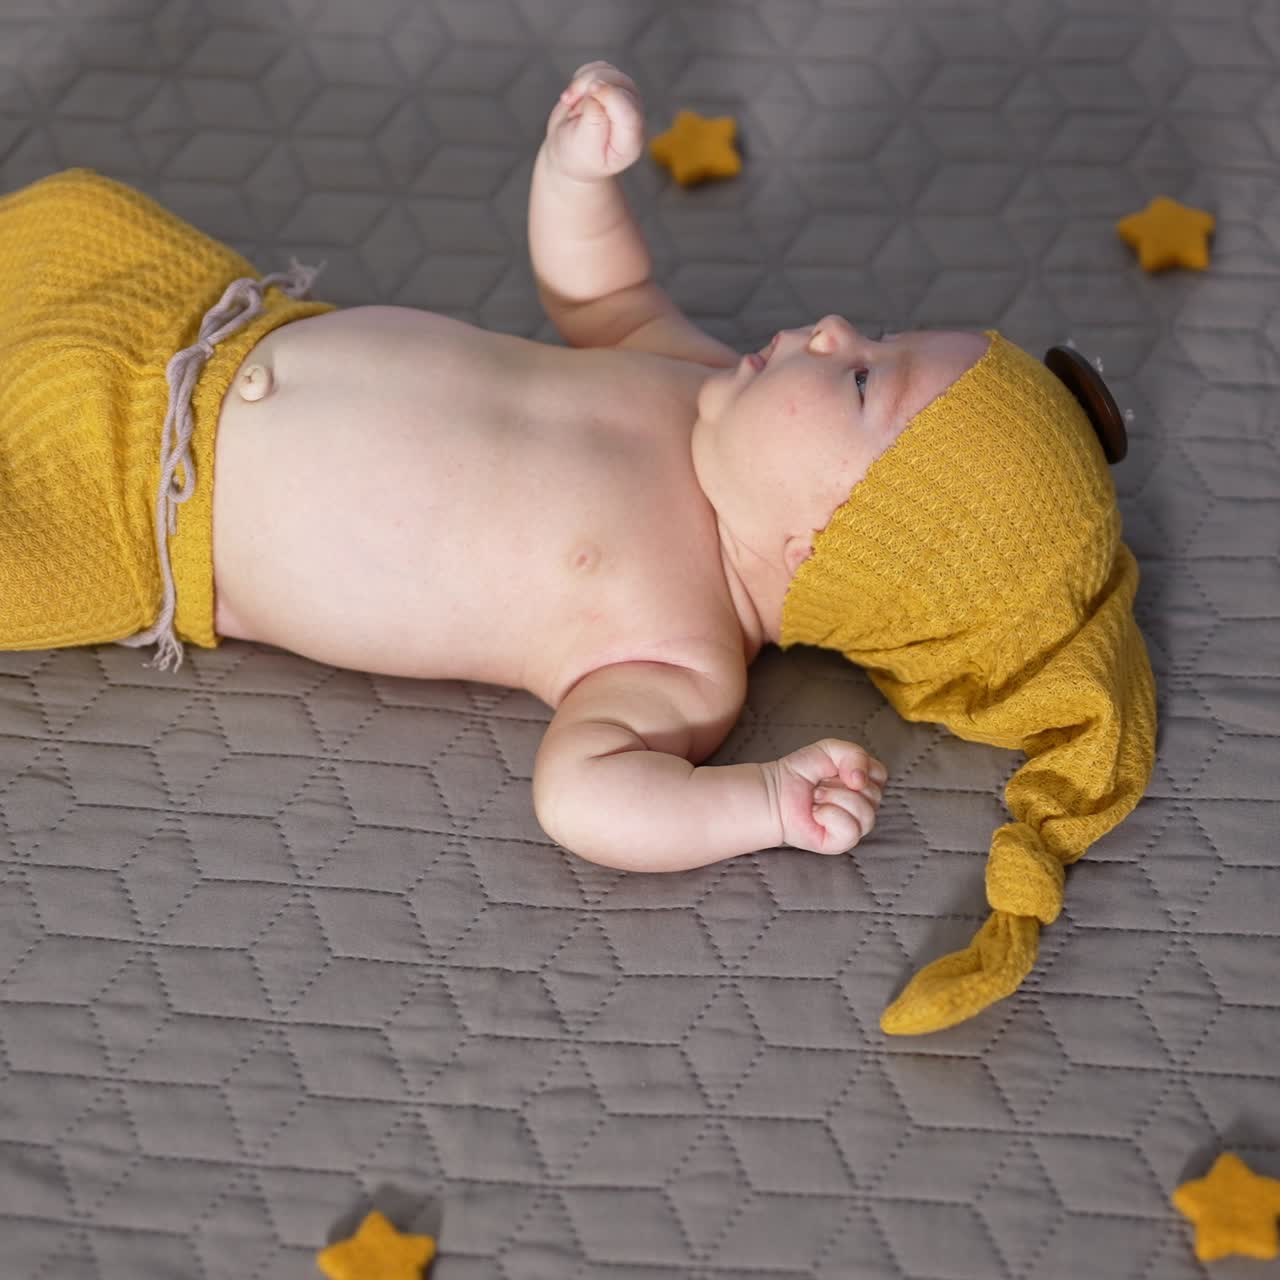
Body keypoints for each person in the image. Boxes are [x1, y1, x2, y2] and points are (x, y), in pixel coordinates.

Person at [0, 62, 1155, 1035]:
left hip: (131, 506)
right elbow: (603, 293)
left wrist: (758, 801)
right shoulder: (693, 381)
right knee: (61, 212)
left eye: (861, 375)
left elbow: (582, 793)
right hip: (192, 317)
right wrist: (576, 177)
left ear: (833, 541)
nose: (833, 325)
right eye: (876, 332)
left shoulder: (681, 647)